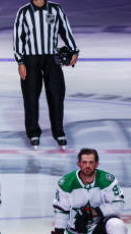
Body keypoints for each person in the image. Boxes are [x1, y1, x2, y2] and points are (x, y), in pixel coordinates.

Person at [46, 148, 129, 234]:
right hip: (78, 227)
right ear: (78, 163)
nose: (87, 166)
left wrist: (95, 212)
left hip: (102, 222)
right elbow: (62, 210)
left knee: (118, 226)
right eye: (84, 162)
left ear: (97, 164)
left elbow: (118, 204)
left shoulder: (107, 180)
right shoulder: (66, 182)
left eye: (91, 162)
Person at [13, 0, 78, 149]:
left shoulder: (56, 9)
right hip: (30, 59)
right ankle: (33, 133)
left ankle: (58, 132)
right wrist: (20, 61)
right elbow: (18, 37)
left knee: (56, 94)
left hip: (51, 58)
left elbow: (65, 30)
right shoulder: (24, 12)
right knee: (30, 96)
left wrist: (74, 50)